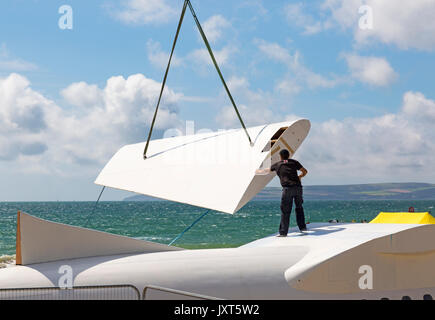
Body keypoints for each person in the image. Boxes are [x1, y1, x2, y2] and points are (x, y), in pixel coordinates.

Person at [256, 149, 308, 236]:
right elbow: (305, 171)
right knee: (299, 207)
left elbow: (265, 171)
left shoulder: (277, 165)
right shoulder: (294, 162)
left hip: (287, 189)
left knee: (285, 211)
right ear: (288, 155)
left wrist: (255, 171)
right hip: (298, 188)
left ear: (280, 156)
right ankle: (302, 227)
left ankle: (283, 232)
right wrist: (300, 177)